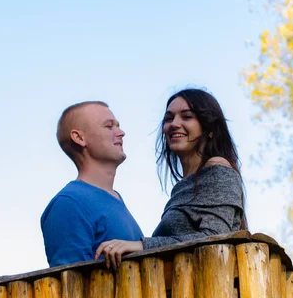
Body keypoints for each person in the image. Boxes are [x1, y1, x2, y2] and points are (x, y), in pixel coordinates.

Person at [95, 88, 246, 268]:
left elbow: (216, 238)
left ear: (210, 129)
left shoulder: (217, 169)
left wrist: (142, 245)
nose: (174, 124)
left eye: (187, 116)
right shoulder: (185, 185)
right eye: (169, 118)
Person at [41, 101, 143, 267]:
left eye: (118, 126)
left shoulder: (116, 199)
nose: (121, 132)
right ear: (80, 138)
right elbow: (71, 285)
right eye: (109, 126)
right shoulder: (69, 203)